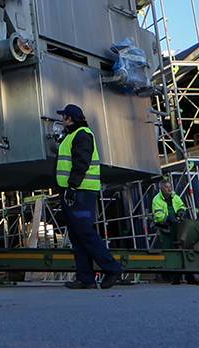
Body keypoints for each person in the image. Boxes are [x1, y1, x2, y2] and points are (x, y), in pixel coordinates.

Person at [55, 104, 124, 289]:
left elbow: (81, 162)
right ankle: (85, 278)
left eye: (63, 117)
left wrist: (72, 186)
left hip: (81, 192)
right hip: (74, 191)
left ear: (69, 118)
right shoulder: (71, 136)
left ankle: (112, 269)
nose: (61, 120)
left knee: (85, 232)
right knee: (78, 235)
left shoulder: (82, 134)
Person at [151, 180, 195, 284]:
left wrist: (181, 211)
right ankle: (171, 276)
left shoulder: (175, 196)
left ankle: (182, 276)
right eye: (167, 187)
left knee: (181, 249)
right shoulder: (156, 200)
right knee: (169, 251)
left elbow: (181, 206)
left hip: (177, 226)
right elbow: (158, 216)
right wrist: (167, 218)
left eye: (170, 187)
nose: (169, 189)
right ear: (161, 188)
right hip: (165, 227)